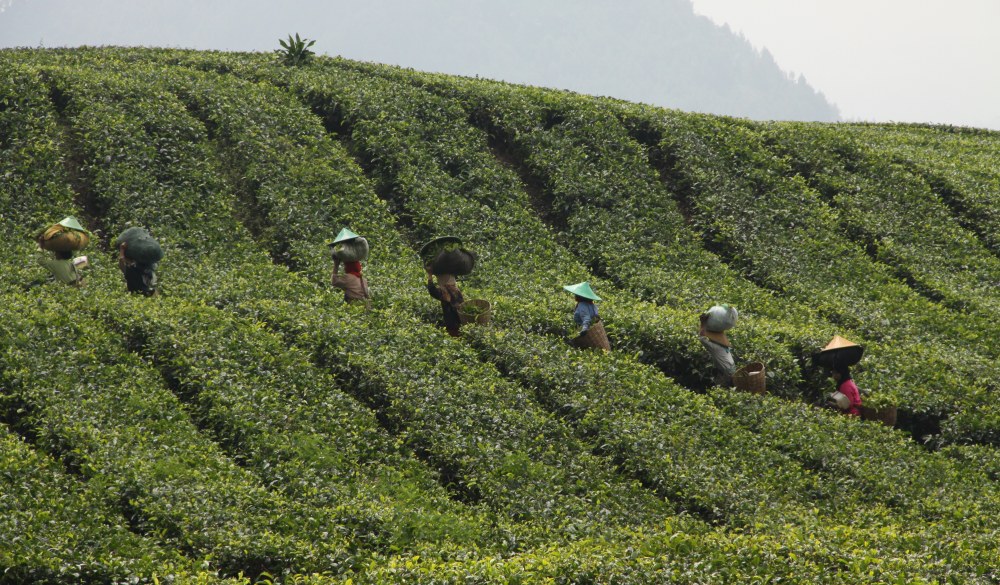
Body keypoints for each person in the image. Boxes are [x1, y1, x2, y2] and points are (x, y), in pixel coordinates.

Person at [698, 313, 736, 387]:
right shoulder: (725, 346)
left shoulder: (716, 348)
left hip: (727, 372)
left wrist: (703, 323)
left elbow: (702, 338)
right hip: (732, 368)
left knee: (721, 387)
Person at [427, 268, 464, 337]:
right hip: (460, 322)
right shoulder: (456, 291)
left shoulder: (445, 293)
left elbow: (432, 290)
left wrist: (430, 275)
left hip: (454, 324)